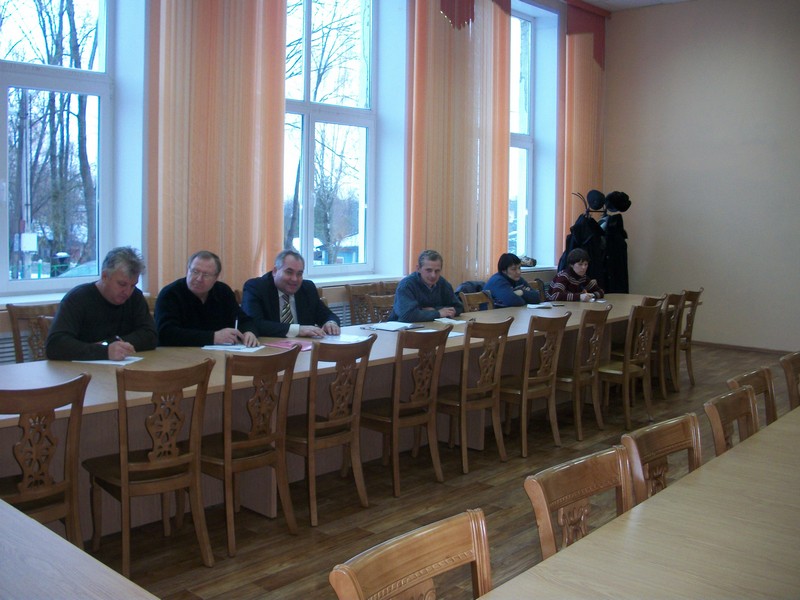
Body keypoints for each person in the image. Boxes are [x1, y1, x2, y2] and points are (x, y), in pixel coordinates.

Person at [46, 246, 158, 361]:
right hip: (81, 370)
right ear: (104, 276)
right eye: (122, 284)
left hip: (125, 368)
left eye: (133, 285)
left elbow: (150, 335)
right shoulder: (78, 299)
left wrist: (112, 343)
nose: (128, 292)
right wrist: (105, 351)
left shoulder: (135, 297)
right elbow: (55, 345)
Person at [155, 250, 258, 347]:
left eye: (206, 275)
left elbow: (243, 320)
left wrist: (249, 332)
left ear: (216, 277)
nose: (199, 279)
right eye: (195, 272)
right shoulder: (170, 294)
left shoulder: (223, 291)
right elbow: (166, 333)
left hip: (217, 354)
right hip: (177, 355)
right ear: (187, 270)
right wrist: (213, 337)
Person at [241, 249, 340, 338]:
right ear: (275, 271)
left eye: (299, 274)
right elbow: (254, 323)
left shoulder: (307, 288)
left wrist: (330, 323)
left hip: (305, 347)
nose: (294, 279)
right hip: (270, 348)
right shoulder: (256, 287)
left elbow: (327, 315)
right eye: (289, 272)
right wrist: (297, 330)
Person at [390, 249, 464, 322]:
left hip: (433, 327)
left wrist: (433, 310)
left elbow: (459, 307)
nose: (433, 275)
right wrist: (438, 313)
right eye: (429, 270)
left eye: (437, 271)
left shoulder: (442, 283)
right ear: (418, 269)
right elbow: (407, 315)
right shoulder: (407, 285)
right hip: (402, 328)